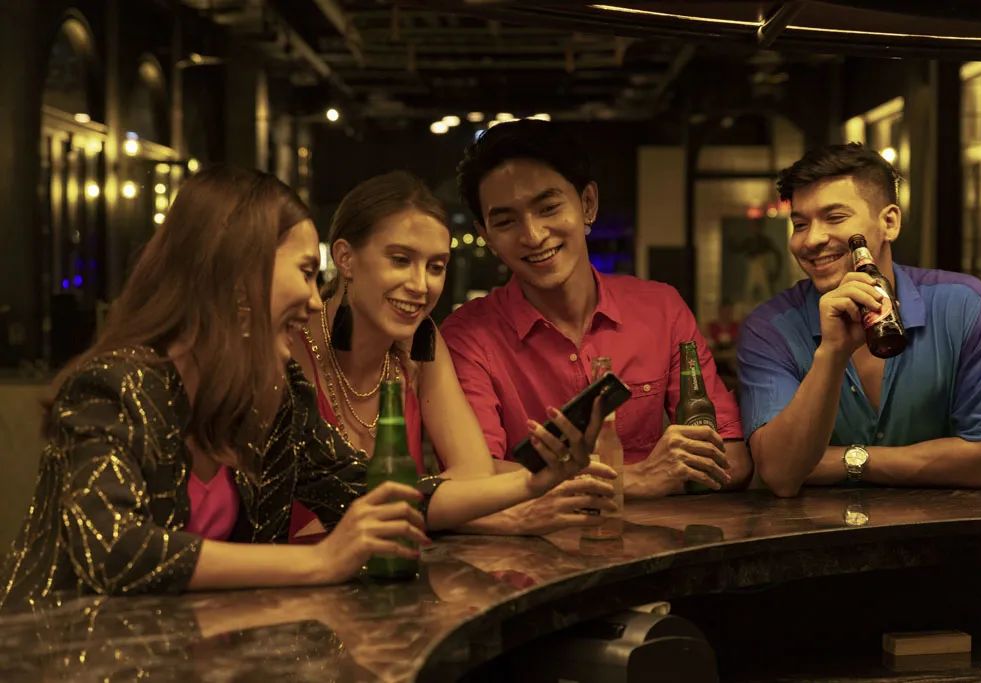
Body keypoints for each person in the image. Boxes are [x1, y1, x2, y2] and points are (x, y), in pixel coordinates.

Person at [0, 166, 612, 612]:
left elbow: (365, 492)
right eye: (303, 272)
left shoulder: (274, 395)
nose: (316, 300)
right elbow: (112, 549)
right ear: (236, 272)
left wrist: (530, 483)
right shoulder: (115, 385)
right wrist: (319, 560)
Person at [441, 119, 752, 536]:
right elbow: (476, 478)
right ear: (487, 236)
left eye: (548, 208)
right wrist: (635, 479)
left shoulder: (661, 309)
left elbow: (732, 458)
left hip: (654, 550)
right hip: (531, 556)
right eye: (506, 222)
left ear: (587, 204)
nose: (533, 235)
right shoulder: (467, 336)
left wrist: (669, 472)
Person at [289, 170, 616, 537]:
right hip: (296, 568)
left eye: (435, 267)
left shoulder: (420, 341)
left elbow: (473, 472)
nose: (420, 285)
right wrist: (506, 516)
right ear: (345, 258)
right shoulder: (288, 345)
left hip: (399, 563)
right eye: (400, 260)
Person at [737, 143, 981, 498]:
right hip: (816, 530)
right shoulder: (770, 328)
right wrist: (832, 353)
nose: (812, 239)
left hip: (945, 529)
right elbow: (779, 474)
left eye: (835, 217)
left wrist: (852, 460)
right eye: (800, 224)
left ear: (889, 222)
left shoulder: (963, 306)